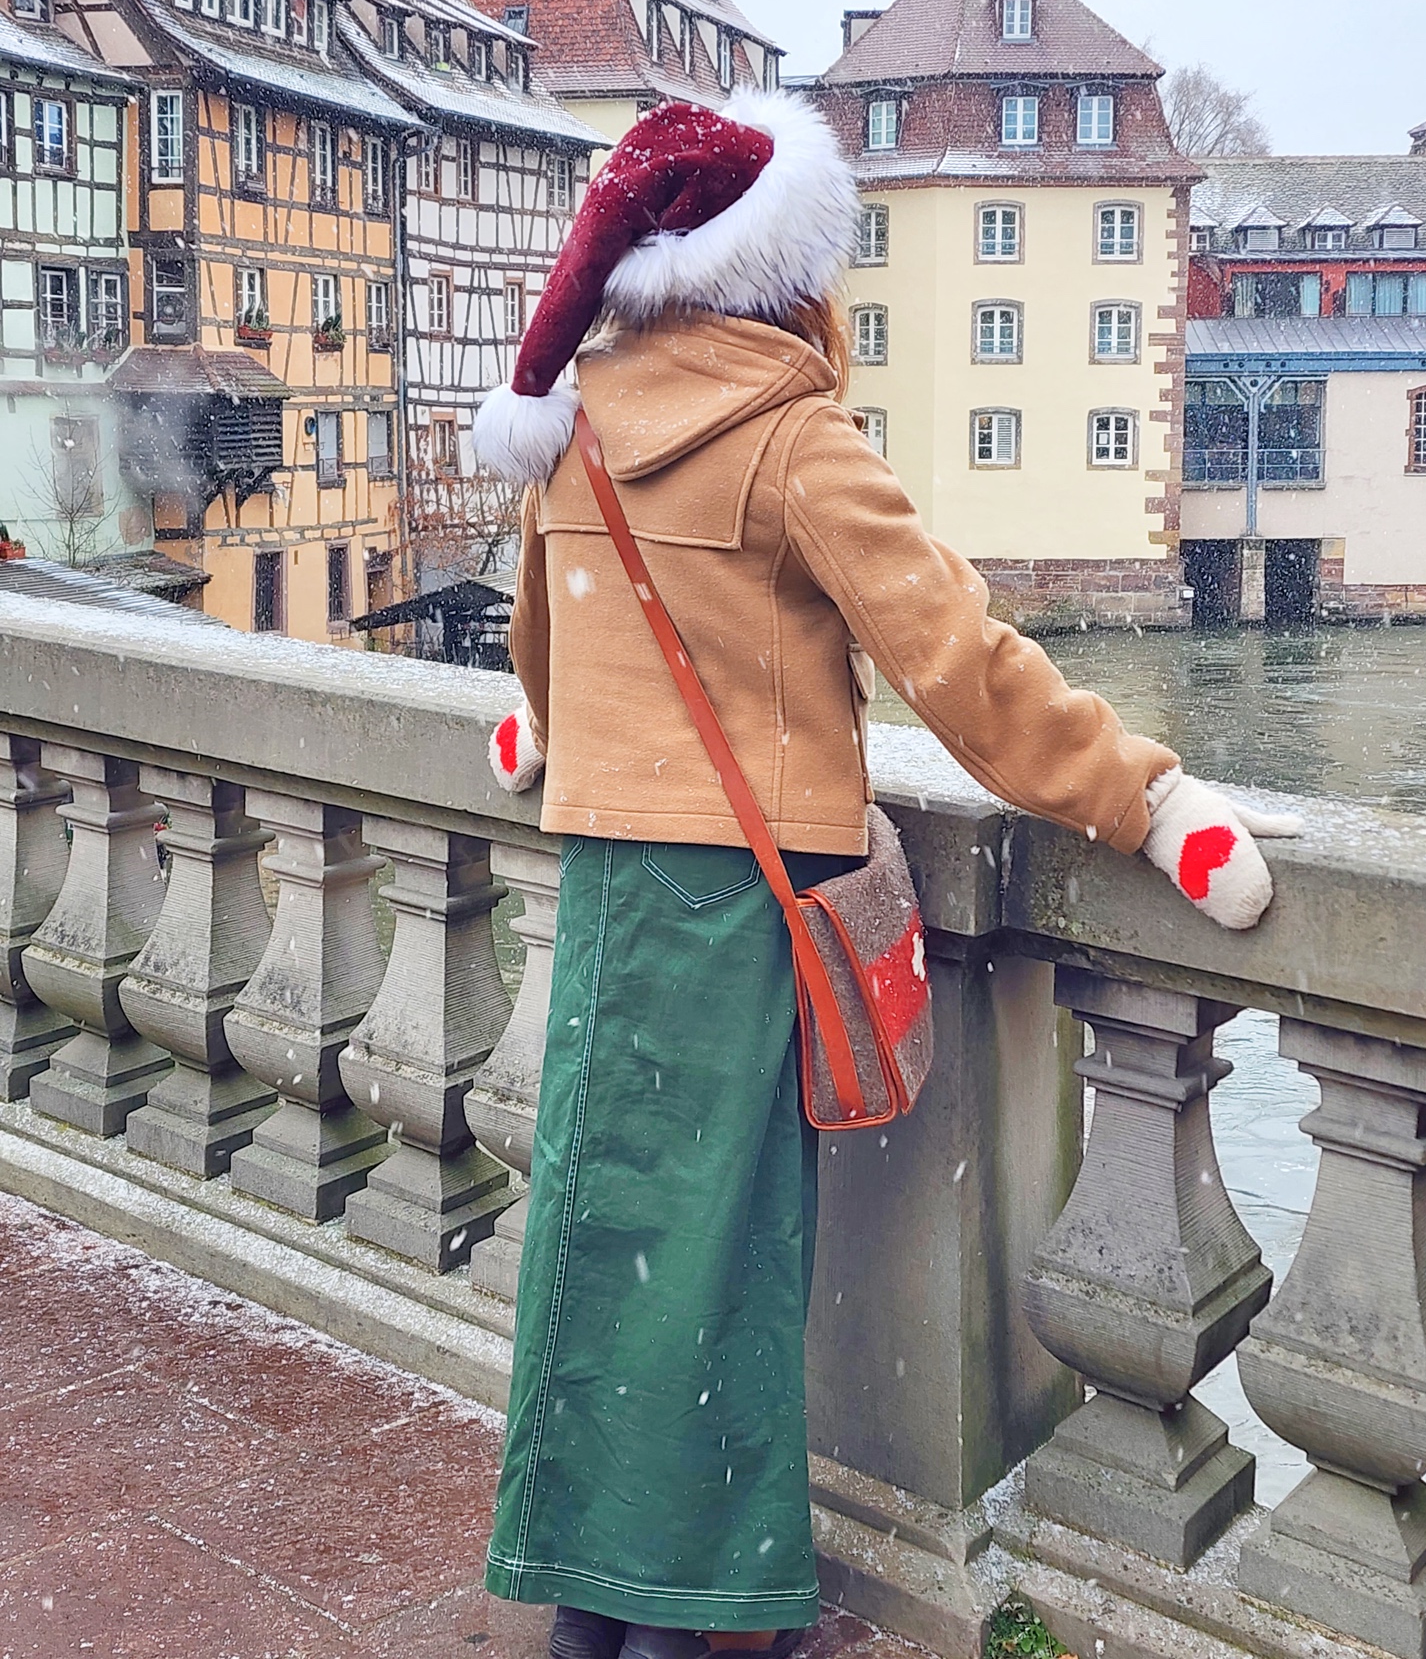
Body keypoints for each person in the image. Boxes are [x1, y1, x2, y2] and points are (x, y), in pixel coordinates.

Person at [472, 94, 1296, 1659]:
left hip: (609, 887)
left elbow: (547, 631)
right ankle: (699, 1608)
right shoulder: (794, 439)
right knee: (727, 1250)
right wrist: (1150, 803)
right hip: (747, 902)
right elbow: (964, 672)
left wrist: (542, 731)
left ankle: (591, 1596)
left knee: (607, 1236)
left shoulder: (578, 420)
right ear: (787, 276)